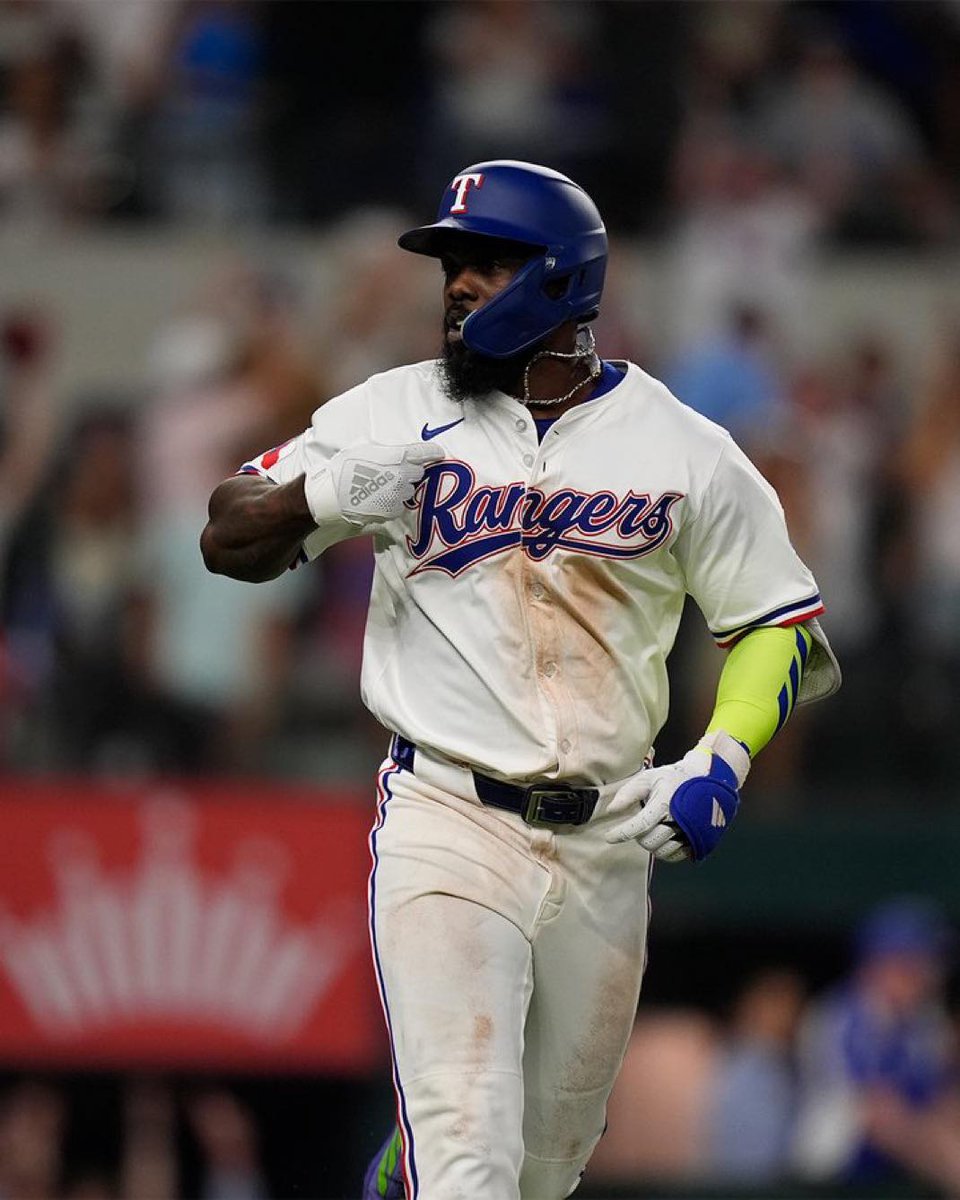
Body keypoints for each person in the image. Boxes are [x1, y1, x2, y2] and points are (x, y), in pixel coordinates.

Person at [200, 160, 840, 1200]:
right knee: (473, 1160)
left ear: (560, 279)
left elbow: (778, 623)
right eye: (452, 264)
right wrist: (320, 492)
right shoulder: (393, 408)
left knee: (542, 1171)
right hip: (449, 818)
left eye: (485, 264)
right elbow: (227, 534)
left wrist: (722, 756)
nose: (456, 284)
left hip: (606, 840)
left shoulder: (683, 448)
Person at [792, 897, 960, 1192]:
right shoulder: (841, 1016)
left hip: (904, 1158)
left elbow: (940, 1095)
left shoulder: (923, 1022)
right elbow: (876, 1109)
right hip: (836, 1162)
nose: (928, 975)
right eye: (915, 964)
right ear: (879, 965)